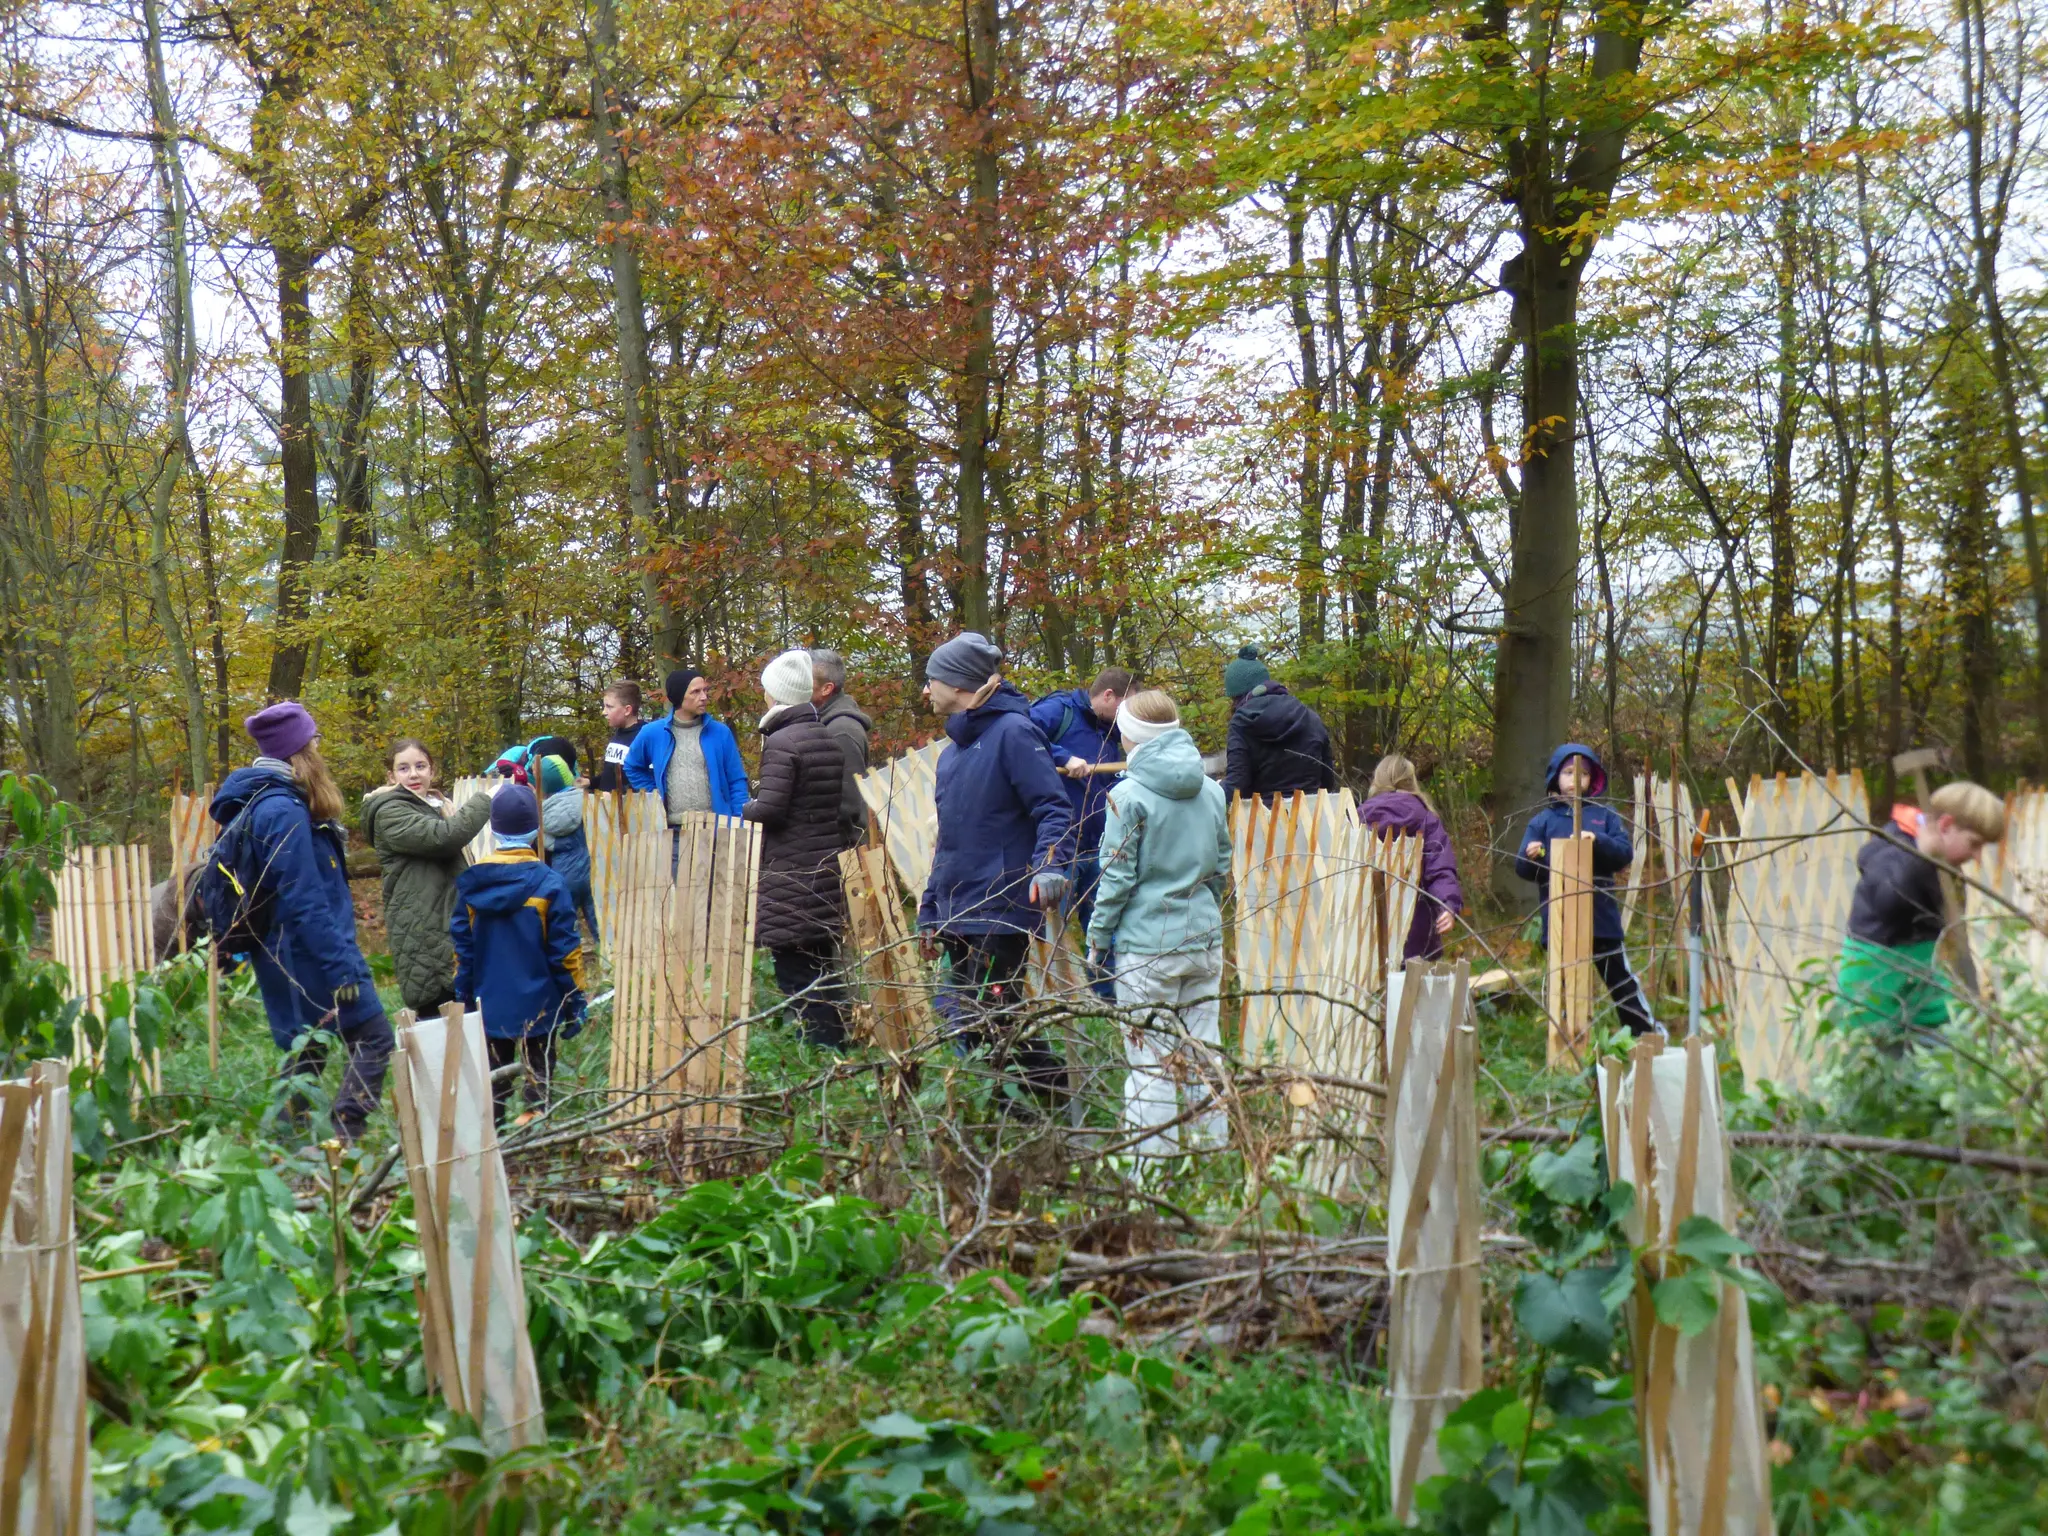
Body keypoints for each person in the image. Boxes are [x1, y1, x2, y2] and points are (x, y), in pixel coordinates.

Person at [209, 701, 392, 1140]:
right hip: (307, 958)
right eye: (315, 740)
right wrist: (343, 970)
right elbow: (306, 900)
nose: (320, 747)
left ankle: (289, 1146)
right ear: (298, 749)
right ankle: (345, 1139)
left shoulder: (270, 801)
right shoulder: (281, 809)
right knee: (373, 1038)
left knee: (306, 1051)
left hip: (289, 954)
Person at [917, 631, 1074, 1104]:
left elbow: (1053, 808)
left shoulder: (1014, 733)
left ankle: (1038, 1111)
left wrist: (1049, 867)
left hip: (1000, 905)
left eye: (932, 680)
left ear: (959, 683)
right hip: (959, 906)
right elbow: (949, 841)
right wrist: (930, 909)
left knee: (984, 1014)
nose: (925, 690)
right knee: (976, 1016)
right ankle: (1018, 1117)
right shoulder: (953, 755)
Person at [1085, 690, 1232, 1155]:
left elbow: (1115, 877)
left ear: (1134, 736)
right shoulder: (1211, 789)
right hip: (1204, 941)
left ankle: (1152, 1175)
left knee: (1150, 1061)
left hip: (1147, 948)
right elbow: (1221, 865)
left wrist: (1098, 939)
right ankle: (1212, 1162)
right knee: (1204, 1053)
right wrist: (1205, 912)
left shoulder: (1126, 795)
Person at [452, 788, 587, 1126]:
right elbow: (565, 953)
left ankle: (493, 1141)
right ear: (537, 828)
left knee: (494, 1080)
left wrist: (464, 995)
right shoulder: (550, 885)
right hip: (539, 1009)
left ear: (493, 829)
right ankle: (535, 1139)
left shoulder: (472, 883)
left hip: (489, 1004)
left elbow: (463, 949)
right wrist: (575, 1000)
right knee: (537, 1078)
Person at [1836, 781, 2006, 1044]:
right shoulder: (1893, 850)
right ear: (1946, 826)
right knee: (1890, 1071)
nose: (1977, 856)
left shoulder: (1939, 864)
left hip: (1919, 983)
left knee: (1964, 1036)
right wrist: (1922, 856)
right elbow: (1887, 901)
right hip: (1876, 993)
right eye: (1974, 844)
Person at [746, 650, 853, 1049]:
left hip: (790, 871)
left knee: (797, 974)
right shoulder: (824, 735)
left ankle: (822, 1054)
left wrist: (746, 807)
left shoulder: (782, 742)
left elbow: (771, 809)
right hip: (823, 867)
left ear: (777, 695)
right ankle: (839, 1046)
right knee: (822, 967)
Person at [1512, 743, 1656, 1036]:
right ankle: (1566, 1042)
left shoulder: (1605, 815)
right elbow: (1523, 869)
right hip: (1561, 921)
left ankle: (1645, 1035)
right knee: (1564, 987)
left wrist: (1598, 840)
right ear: (1556, 777)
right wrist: (1533, 855)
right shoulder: (1542, 822)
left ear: (1593, 779)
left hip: (1601, 921)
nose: (1575, 779)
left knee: (1620, 981)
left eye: (1584, 774)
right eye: (1568, 772)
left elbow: (1624, 854)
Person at [361, 739, 496, 1018]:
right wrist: (486, 800)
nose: (413, 774)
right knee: (438, 1012)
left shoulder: (430, 804)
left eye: (420, 766)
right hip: (423, 929)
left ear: (431, 770)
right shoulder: (389, 812)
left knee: (465, 1017)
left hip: (443, 921)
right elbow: (443, 837)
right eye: (404, 768)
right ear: (391, 776)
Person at [1031, 667, 1131, 997]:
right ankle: (1052, 1006)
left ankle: (1112, 1004)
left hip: (1098, 847)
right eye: (1124, 706)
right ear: (1108, 696)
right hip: (1060, 849)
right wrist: (1062, 756)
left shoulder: (1112, 733)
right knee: (1048, 932)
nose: (1126, 717)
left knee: (1103, 930)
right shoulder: (1057, 711)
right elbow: (1021, 736)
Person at [1358, 754, 1464, 961]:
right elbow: (1440, 869)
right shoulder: (1426, 819)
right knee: (1413, 989)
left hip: (1364, 930)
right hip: (1416, 931)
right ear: (1411, 781)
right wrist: (1447, 905)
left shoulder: (1357, 818)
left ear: (1377, 780)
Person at [621, 667, 751, 822]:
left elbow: (736, 780)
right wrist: (654, 794)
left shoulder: (720, 732)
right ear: (679, 696)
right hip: (671, 831)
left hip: (717, 829)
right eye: (695, 692)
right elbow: (632, 766)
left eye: (705, 690)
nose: (703, 697)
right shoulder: (653, 732)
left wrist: (739, 820)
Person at [1221, 646, 1339, 799]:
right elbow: (1327, 781)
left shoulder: (1242, 722)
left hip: (1262, 819)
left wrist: (1215, 788)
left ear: (1236, 696)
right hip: (1311, 818)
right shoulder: (1310, 717)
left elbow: (1237, 787)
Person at [533, 739, 599, 946]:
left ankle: (570, 958)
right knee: (597, 917)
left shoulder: (545, 813)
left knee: (565, 921)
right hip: (591, 867)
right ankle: (609, 960)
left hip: (564, 870)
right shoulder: (586, 801)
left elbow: (547, 842)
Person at [810, 648, 873, 848]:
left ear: (826, 688)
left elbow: (849, 807)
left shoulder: (841, 731)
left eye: (805, 679)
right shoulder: (826, 723)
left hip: (845, 857)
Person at [593, 680, 648, 793]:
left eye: (609, 707)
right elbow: (611, 776)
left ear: (627, 710)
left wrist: (618, 795)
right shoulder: (619, 733)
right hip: (608, 807)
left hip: (629, 808)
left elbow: (647, 782)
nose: (604, 712)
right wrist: (590, 782)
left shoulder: (644, 737)